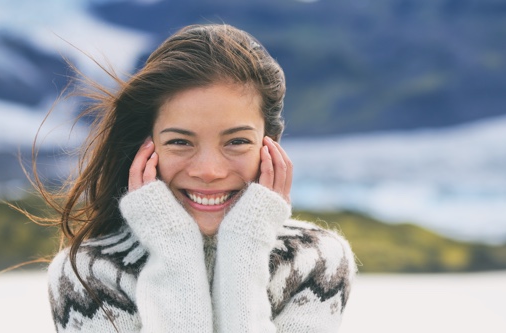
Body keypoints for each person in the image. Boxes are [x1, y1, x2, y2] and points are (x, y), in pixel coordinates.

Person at [37, 24, 356, 332]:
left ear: (269, 144)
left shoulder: (316, 260)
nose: (209, 170)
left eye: (237, 142)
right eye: (179, 141)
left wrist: (246, 247)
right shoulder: (87, 274)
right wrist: (173, 253)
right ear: (145, 147)